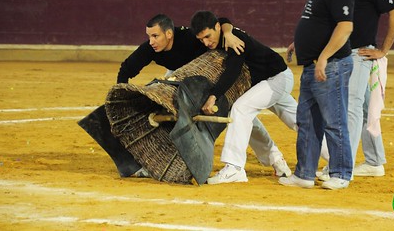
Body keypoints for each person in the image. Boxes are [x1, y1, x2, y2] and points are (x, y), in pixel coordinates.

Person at [118, 14, 291, 178]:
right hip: (180, 76)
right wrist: (121, 97)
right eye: (149, 36)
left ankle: (275, 159)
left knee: (240, 114)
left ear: (169, 33)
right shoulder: (151, 48)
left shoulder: (191, 37)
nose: (151, 41)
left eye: (155, 36)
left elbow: (219, 21)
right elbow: (126, 69)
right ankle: (155, 162)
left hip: (209, 76)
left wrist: (228, 32)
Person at [279, 0, 354, 190]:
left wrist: (323, 56)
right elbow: (321, 23)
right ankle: (304, 174)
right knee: (308, 121)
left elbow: (345, 27)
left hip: (329, 66)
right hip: (314, 65)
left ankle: (341, 173)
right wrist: (299, 42)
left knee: (334, 120)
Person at [190, 11, 298, 185]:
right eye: (201, 39)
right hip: (267, 81)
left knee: (240, 110)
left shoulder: (234, 41)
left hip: (276, 79)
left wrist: (213, 96)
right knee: (299, 122)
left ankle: (234, 168)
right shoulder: (224, 33)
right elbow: (224, 19)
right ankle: (329, 161)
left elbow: (232, 72)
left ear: (216, 27)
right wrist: (226, 31)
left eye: (208, 36)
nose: (206, 42)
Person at [331, 0, 394, 179]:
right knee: (361, 110)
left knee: (350, 107)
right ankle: (374, 161)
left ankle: (343, 167)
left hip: (360, 54)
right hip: (342, 54)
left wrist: (383, 50)